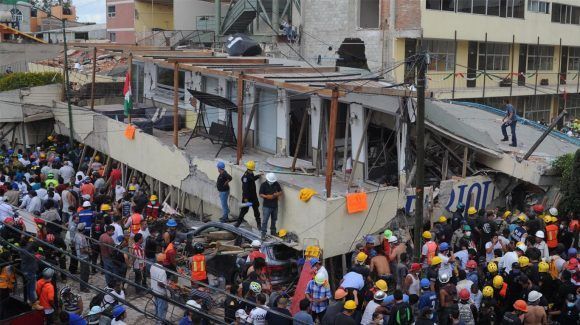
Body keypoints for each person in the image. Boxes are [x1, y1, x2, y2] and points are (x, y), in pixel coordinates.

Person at [235, 161, 262, 229]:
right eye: (252, 169)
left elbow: (252, 179)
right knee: (244, 211)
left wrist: (258, 176)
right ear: (250, 169)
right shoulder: (245, 177)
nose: (252, 171)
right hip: (247, 198)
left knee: (256, 211)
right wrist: (246, 199)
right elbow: (245, 189)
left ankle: (259, 225)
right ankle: (237, 224)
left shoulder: (251, 174)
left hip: (253, 197)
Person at [259, 172, 282, 240]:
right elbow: (260, 194)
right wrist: (267, 196)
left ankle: (273, 232)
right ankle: (263, 234)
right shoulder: (263, 185)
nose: (271, 182)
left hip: (275, 206)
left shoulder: (276, 183)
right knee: (265, 221)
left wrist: (276, 194)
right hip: (267, 206)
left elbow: (280, 192)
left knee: (274, 219)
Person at [151, 254, 169, 325]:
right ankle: (160, 322)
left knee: (157, 307)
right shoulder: (162, 270)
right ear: (163, 261)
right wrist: (168, 286)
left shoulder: (152, 266)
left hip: (154, 290)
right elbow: (160, 283)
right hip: (160, 292)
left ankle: (158, 321)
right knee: (162, 308)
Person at [74, 223, 91, 293]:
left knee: (85, 272)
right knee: (85, 273)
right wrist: (89, 252)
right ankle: (83, 287)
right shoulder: (81, 237)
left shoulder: (76, 235)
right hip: (84, 257)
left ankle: (84, 285)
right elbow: (82, 250)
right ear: (83, 229)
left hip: (80, 256)